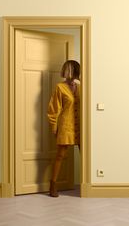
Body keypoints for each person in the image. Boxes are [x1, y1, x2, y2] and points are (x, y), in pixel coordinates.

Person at [47, 60, 80, 197]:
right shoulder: (60, 87)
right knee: (61, 155)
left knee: (87, 155)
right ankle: (53, 184)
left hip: (81, 126)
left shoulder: (81, 86)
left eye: (72, 70)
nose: (69, 73)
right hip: (66, 125)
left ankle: (90, 184)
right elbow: (53, 109)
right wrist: (54, 126)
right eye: (68, 69)